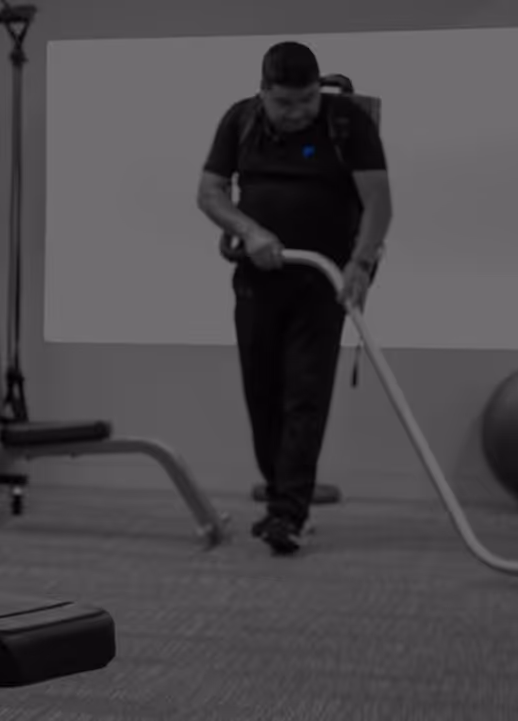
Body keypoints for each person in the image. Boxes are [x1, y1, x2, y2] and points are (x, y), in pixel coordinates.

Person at [195, 41, 393, 555]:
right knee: (263, 394)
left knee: (304, 394)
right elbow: (210, 193)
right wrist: (250, 230)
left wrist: (362, 263)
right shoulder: (240, 120)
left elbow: (378, 202)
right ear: (263, 93)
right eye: (285, 102)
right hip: (257, 281)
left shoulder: (346, 122)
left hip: (323, 281)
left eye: (306, 99)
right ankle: (282, 497)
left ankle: (289, 513)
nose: (298, 112)